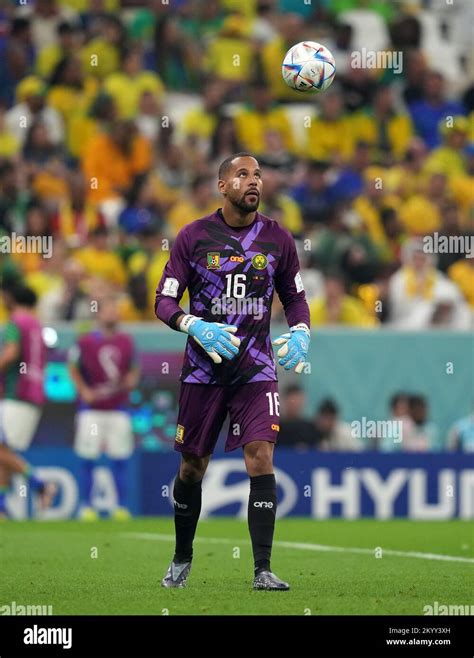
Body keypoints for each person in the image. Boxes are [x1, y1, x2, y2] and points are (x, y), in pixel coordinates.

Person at [155, 152, 310, 590]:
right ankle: (182, 556)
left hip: (256, 367)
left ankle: (263, 569)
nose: (253, 181)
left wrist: (301, 331)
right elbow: (163, 300)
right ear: (222, 186)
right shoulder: (193, 236)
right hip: (203, 371)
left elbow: (295, 297)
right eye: (242, 174)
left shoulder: (278, 239)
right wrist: (192, 323)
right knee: (192, 468)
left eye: (258, 174)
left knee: (261, 458)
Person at [68, 295, 140, 520]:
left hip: (118, 408)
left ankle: (120, 507)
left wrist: (131, 379)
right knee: (88, 457)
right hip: (91, 410)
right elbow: (72, 367)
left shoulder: (126, 341)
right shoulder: (86, 341)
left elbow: (134, 368)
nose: (113, 313)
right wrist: (84, 391)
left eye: (115, 309)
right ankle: (88, 506)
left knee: (120, 458)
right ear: (98, 313)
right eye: (109, 309)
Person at [0, 284, 56, 519]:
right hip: (34, 394)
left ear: (11, 297)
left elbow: (12, 353)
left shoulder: (16, 322)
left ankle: (40, 484)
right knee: (5, 452)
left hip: (16, 394)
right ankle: (1, 508)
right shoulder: (36, 325)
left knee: (1, 451)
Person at [277, 384, 315, 449]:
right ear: (285, 400)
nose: (295, 404)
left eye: (298, 401)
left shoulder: (309, 428)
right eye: (293, 400)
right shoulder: (275, 427)